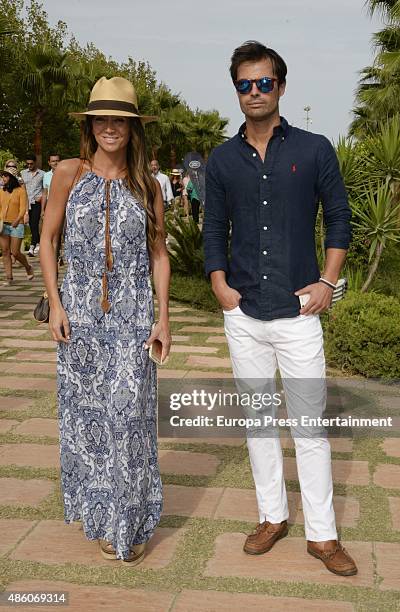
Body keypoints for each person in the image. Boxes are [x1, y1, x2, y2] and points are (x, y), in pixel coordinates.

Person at [203, 40, 357, 576]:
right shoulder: (222, 159)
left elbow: (339, 219)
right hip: (243, 314)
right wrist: (219, 284)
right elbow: (213, 228)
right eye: (244, 84)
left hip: (298, 314)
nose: (254, 92)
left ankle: (323, 534)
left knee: (308, 425)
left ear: (281, 86)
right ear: (236, 91)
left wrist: (327, 283)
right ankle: (273, 516)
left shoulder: (314, 150)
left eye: (264, 82)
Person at [39, 76, 171, 566]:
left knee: (130, 417)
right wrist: (55, 303)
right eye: (102, 119)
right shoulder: (68, 175)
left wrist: (164, 317)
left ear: (133, 128)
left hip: (134, 316)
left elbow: (159, 255)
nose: (110, 127)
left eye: (120, 119)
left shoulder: (148, 184)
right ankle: (100, 516)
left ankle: (130, 520)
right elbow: (48, 240)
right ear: (90, 124)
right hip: (80, 317)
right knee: (88, 419)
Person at [0, 164, 34, 285]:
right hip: (3, 224)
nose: (3, 178)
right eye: (2, 176)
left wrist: (17, 220)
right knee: (5, 251)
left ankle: (28, 267)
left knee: (15, 252)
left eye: (5, 176)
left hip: (17, 224)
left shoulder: (20, 191)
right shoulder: (1, 192)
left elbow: (22, 209)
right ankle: (9, 278)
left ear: (12, 177)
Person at [21, 153, 44, 257]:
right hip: (26, 202)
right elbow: (22, 189)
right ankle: (38, 242)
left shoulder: (42, 174)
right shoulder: (23, 173)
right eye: (27, 164)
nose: (29, 165)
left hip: (36, 203)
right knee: (30, 225)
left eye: (31, 163)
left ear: (35, 163)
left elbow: (46, 189)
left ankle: (32, 246)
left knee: (34, 224)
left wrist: (42, 197)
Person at [41, 153, 62, 263]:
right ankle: (54, 255)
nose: (55, 163)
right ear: (49, 163)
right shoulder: (46, 176)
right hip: (50, 204)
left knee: (60, 232)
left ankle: (59, 253)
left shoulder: (65, 174)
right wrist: (42, 210)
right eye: (53, 161)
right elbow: (45, 193)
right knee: (51, 232)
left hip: (63, 204)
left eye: (57, 160)